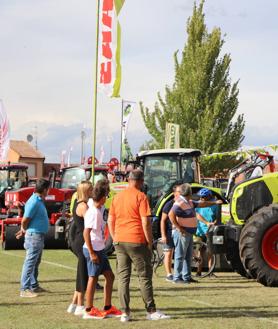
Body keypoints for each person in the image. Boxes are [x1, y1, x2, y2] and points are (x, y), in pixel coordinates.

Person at [108, 169, 170, 322]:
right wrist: (149, 242)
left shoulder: (117, 197)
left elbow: (110, 220)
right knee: (144, 277)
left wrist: (114, 237)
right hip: (136, 240)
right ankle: (151, 310)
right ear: (141, 181)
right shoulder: (141, 197)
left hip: (120, 240)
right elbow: (145, 222)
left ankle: (125, 312)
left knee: (123, 278)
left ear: (128, 180)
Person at [83, 180, 121, 319]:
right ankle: (88, 309)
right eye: (107, 195)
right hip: (93, 249)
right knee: (92, 279)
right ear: (103, 197)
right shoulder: (93, 212)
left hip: (100, 248)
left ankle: (108, 307)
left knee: (110, 276)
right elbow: (86, 233)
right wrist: (92, 253)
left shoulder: (100, 208)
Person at [169, 183, 222, 284]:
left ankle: (187, 277)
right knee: (180, 256)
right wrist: (179, 228)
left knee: (188, 256)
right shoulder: (179, 202)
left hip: (189, 233)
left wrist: (214, 202)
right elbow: (171, 214)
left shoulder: (189, 201)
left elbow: (202, 204)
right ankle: (177, 277)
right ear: (189, 192)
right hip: (182, 233)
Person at [17, 178, 50, 297]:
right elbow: (25, 219)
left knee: (35, 262)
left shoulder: (39, 200)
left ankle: (34, 285)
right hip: (34, 236)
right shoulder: (34, 201)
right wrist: (23, 229)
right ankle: (24, 289)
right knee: (30, 262)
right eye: (48, 189)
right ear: (45, 189)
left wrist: (23, 230)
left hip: (38, 236)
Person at [67, 180, 93, 316]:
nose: (93, 192)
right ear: (86, 192)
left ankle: (73, 304)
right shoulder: (83, 206)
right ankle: (80, 305)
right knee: (83, 274)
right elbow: (90, 224)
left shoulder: (79, 204)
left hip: (79, 240)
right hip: (81, 241)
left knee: (80, 273)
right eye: (91, 190)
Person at [160, 184, 181, 282]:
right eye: (179, 192)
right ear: (174, 193)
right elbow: (163, 220)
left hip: (179, 231)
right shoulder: (168, 204)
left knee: (179, 253)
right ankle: (169, 274)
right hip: (169, 231)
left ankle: (178, 274)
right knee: (168, 253)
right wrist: (163, 235)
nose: (181, 194)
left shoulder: (183, 203)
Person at [195, 188, 218, 276]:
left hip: (210, 231)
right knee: (200, 251)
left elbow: (217, 217)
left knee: (210, 252)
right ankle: (198, 271)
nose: (201, 199)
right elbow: (197, 215)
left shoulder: (214, 205)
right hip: (200, 232)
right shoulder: (199, 205)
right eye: (200, 197)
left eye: (203, 197)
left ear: (208, 197)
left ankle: (210, 271)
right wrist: (207, 223)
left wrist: (214, 222)